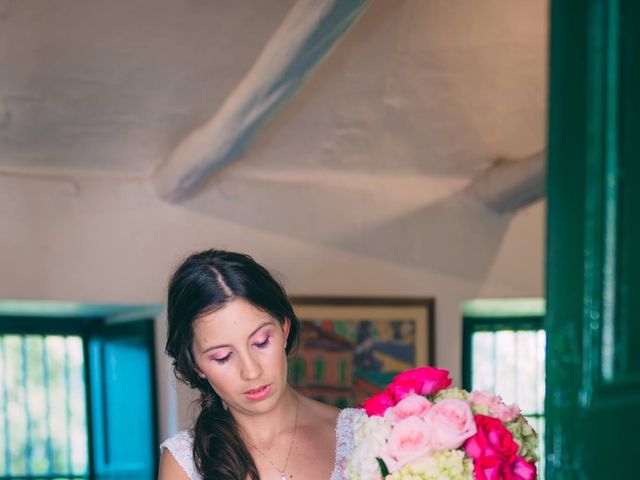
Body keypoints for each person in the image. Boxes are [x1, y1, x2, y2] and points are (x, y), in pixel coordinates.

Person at [158, 249, 365, 480]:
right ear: (196, 366)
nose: (251, 371)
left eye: (261, 342)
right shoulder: (185, 463)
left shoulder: (365, 435)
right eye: (223, 357)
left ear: (284, 328)